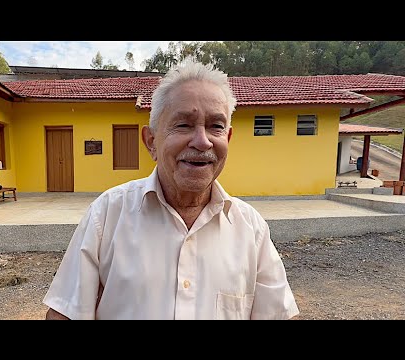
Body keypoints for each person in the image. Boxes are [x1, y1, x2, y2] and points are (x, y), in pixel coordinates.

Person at [43, 58, 300, 320]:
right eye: (184, 125)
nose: (202, 142)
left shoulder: (251, 228)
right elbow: (65, 314)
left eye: (216, 127)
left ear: (228, 139)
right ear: (151, 141)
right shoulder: (107, 214)